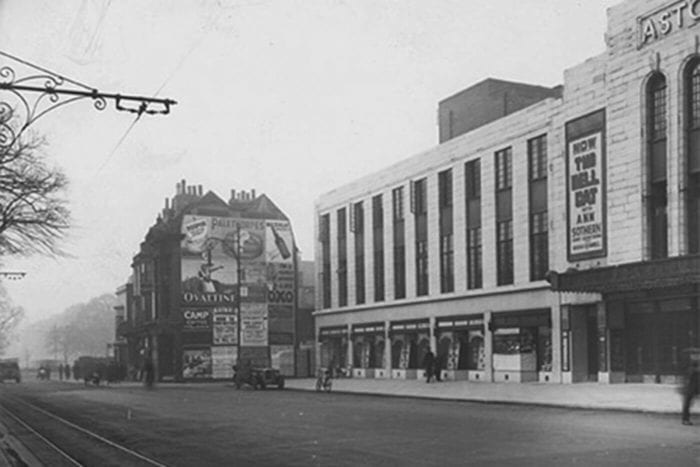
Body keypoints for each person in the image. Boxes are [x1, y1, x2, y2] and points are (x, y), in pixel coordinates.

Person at [682, 360, 700, 425]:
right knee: (687, 406)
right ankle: (685, 420)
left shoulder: (690, 371)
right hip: (690, 391)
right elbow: (695, 383)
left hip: (688, 391)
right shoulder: (695, 372)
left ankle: (685, 419)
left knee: (686, 406)